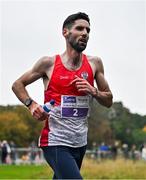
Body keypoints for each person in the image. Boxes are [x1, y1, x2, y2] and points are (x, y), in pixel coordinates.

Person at [12, 12, 113, 179]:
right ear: (65, 32)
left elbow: (109, 100)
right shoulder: (49, 63)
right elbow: (17, 85)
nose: (85, 33)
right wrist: (32, 104)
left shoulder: (95, 63)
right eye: (79, 28)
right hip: (55, 142)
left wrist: (93, 91)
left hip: (80, 142)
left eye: (88, 30)